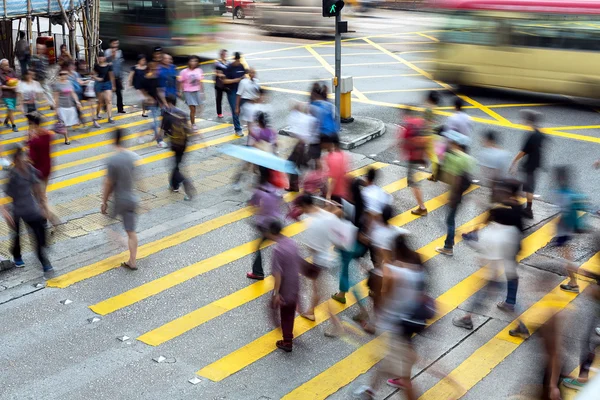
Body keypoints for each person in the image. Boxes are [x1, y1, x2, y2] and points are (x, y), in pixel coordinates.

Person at [353, 234, 427, 400]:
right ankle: (370, 391)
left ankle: (376, 390)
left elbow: (382, 300)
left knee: (397, 367)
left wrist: (373, 323)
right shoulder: (415, 266)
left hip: (397, 325)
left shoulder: (392, 273)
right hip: (411, 320)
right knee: (391, 362)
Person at [452, 180, 524, 331]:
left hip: (496, 250)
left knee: (491, 285)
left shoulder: (496, 218)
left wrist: (471, 238)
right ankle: (514, 313)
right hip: (510, 248)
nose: (499, 192)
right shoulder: (516, 210)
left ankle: (468, 318)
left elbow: (485, 231)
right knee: (502, 282)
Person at [5, 145, 54, 276]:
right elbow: (7, 196)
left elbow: (37, 188)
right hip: (17, 209)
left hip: (31, 208)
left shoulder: (30, 170)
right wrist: (6, 212)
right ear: (16, 159)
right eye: (21, 156)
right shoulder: (12, 175)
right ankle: (17, 255)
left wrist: (43, 206)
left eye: (24, 155)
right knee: (16, 235)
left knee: (38, 235)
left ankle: (44, 260)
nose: (24, 158)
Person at [101, 128, 140, 270]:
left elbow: (108, 183)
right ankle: (132, 261)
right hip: (132, 198)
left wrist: (104, 201)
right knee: (131, 231)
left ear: (114, 141)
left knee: (109, 226)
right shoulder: (132, 157)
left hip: (119, 200)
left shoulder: (112, 160)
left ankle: (120, 244)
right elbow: (138, 178)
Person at [298, 194, 338, 329]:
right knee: (317, 290)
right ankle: (310, 311)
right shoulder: (328, 215)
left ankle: (337, 327)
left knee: (323, 294)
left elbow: (312, 248)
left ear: (304, 206)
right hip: (329, 257)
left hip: (320, 262)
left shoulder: (312, 223)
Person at [435, 132, 475, 256]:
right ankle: (449, 244)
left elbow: (456, 179)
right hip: (458, 195)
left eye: (452, 143)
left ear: (457, 144)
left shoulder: (456, 158)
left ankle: (448, 247)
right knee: (449, 220)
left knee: (449, 221)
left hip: (455, 195)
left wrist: (452, 196)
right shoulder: (467, 158)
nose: (450, 145)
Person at [268, 219, 302, 352]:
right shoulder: (292, 243)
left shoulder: (277, 249)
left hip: (285, 287)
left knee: (285, 313)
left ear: (271, 233)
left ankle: (287, 341)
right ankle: (288, 337)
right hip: (295, 283)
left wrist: (276, 293)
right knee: (290, 312)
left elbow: (278, 274)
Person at [247, 167, 283, 280]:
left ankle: (258, 272)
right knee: (281, 244)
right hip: (277, 222)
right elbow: (280, 200)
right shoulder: (273, 187)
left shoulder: (259, 191)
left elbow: (253, 205)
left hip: (265, 225)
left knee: (257, 247)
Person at [510, 110, 545, 219]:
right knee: (528, 186)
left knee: (526, 187)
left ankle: (527, 209)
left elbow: (523, 151)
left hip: (529, 165)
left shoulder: (531, 135)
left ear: (528, 120)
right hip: (535, 163)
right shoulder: (540, 133)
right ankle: (527, 208)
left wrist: (514, 161)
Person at [27, 113, 60, 227]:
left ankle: (49, 218)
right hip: (47, 168)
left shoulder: (34, 141)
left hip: (37, 172)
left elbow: (32, 159)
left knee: (39, 197)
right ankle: (45, 216)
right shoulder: (48, 135)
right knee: (42, 194)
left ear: (34, 125)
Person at [162, 95, 195, 200]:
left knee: (176, 168)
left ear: (169, 103)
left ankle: (187, 185)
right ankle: (174, 185)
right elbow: (189, 130)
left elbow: (162, 132)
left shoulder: (167, 115)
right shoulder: (182, 114)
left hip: (175, 144)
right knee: (176, 164)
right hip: (184, 144)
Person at [400, 108, 428, 216]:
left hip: (413, 158)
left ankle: (422, 208)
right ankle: (422, 207)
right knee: (414, 182)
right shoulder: (419, 122)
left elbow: (405, 142)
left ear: (405, 114)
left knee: (413, 183)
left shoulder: (407, 126)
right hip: (420, 156)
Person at [140, 61, 167, 147]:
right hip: (150, 104)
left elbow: (159, 91)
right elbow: (142, 91)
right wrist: (148, 98)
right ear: (151, 69)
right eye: (156, 69)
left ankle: (142, 132)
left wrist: (164, 102)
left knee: (156, 123)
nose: (157, 71)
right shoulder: (145, 79)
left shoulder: (156, 79)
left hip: (157, 103)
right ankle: (159, 141)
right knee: (156, 122)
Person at [220, 52, 246, 137]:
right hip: (232, 90)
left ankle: (240, 124)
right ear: (234, 59)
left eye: (239, 60)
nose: (238, 62)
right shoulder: (229, 68)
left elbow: (244, 76)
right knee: (235, 109)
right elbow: (224, 81)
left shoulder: (241, 66)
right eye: (237, 60)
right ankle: (238, 129)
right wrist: (236, 80)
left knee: (242, 109)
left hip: (241, 90)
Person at [53, 69, 82, 145]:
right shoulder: (57, 85)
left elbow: (73, 93)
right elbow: (56, 98)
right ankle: (66, 138)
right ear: (59, 76)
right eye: (61, 74)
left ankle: (65, 133)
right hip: (61, 107)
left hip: (70, 106)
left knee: (69, 123)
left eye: (65, 74)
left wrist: (77, 102)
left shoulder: (69, 83)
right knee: (64, 123)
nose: (63, 76)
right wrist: (56, 109)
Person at [178, 55, 204, 130]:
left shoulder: (199, 70)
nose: (193, 62)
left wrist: (202, 92)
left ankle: (192, 119)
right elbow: (180, 82)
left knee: (198, 108)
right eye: (192, 61)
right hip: (188, 92)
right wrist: (180, 91)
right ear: (188, 62)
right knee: (192, 109)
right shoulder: (184, 72)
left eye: (195, 61)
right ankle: (193, 124)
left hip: (197, 91)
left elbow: (200, 82)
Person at [92, 51, 116, 124]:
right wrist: (96, 78)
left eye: (102, 57)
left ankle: (110, 117)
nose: (100, 58)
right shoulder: (96, 66)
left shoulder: (109, 66)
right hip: (99, 84)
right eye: (99, 57)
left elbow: (111, 76)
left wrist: (113, 85)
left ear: (104, 58)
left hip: (107, 83)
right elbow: (92, 74)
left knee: (108, 100)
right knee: (100, 101)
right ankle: (98, 113)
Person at [324, 136, 349, 203]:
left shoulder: (333, 158)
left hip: (336, 192)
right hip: (343, 190)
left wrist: (328, 196)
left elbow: (333, 180)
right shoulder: (342, 154)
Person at [423, 90, 441, 181]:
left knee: (432, 155)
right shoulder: (434, 107)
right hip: (433, 133)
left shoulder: (428, 109)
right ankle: (435, 172)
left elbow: (427, 122)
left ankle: (435, 174)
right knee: (432, 153)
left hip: (429, 134)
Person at [104, 38, 126, 114]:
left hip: (117, 76)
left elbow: (120, 65)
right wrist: (112, 56)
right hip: (109, 77)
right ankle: (106, 106)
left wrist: (121, 77)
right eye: (114, 43)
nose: (116, 45)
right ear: (110, 44)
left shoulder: (119, 52)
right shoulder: (107, 52)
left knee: (119, 93)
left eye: (117, 43)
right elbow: (106, 62)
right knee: (108, 93)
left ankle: (120, 108)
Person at [0, 59, 19, 131]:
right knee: (10, 108)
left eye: (7, 64)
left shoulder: (11, 70)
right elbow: (1, 86)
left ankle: (6, 121)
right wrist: (11, 87)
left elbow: (17, 78)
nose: (6, 66)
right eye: (4, 65)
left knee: (11, 109)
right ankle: (14, 125)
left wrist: (16, 84)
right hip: (5, 94)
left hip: (14, 93)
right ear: (1, 66)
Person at [214, 49, 228, 118]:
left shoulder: (228, 63)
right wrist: (222, 75)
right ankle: (219, 113)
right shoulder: (217, 63)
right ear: (221, 55)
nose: (225, 55)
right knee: (219, 99)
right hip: (219, 84)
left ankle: (234, 110)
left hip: (227, 83)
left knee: (231, 97)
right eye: (223, 54)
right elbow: (216, 73)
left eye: (225, 54)